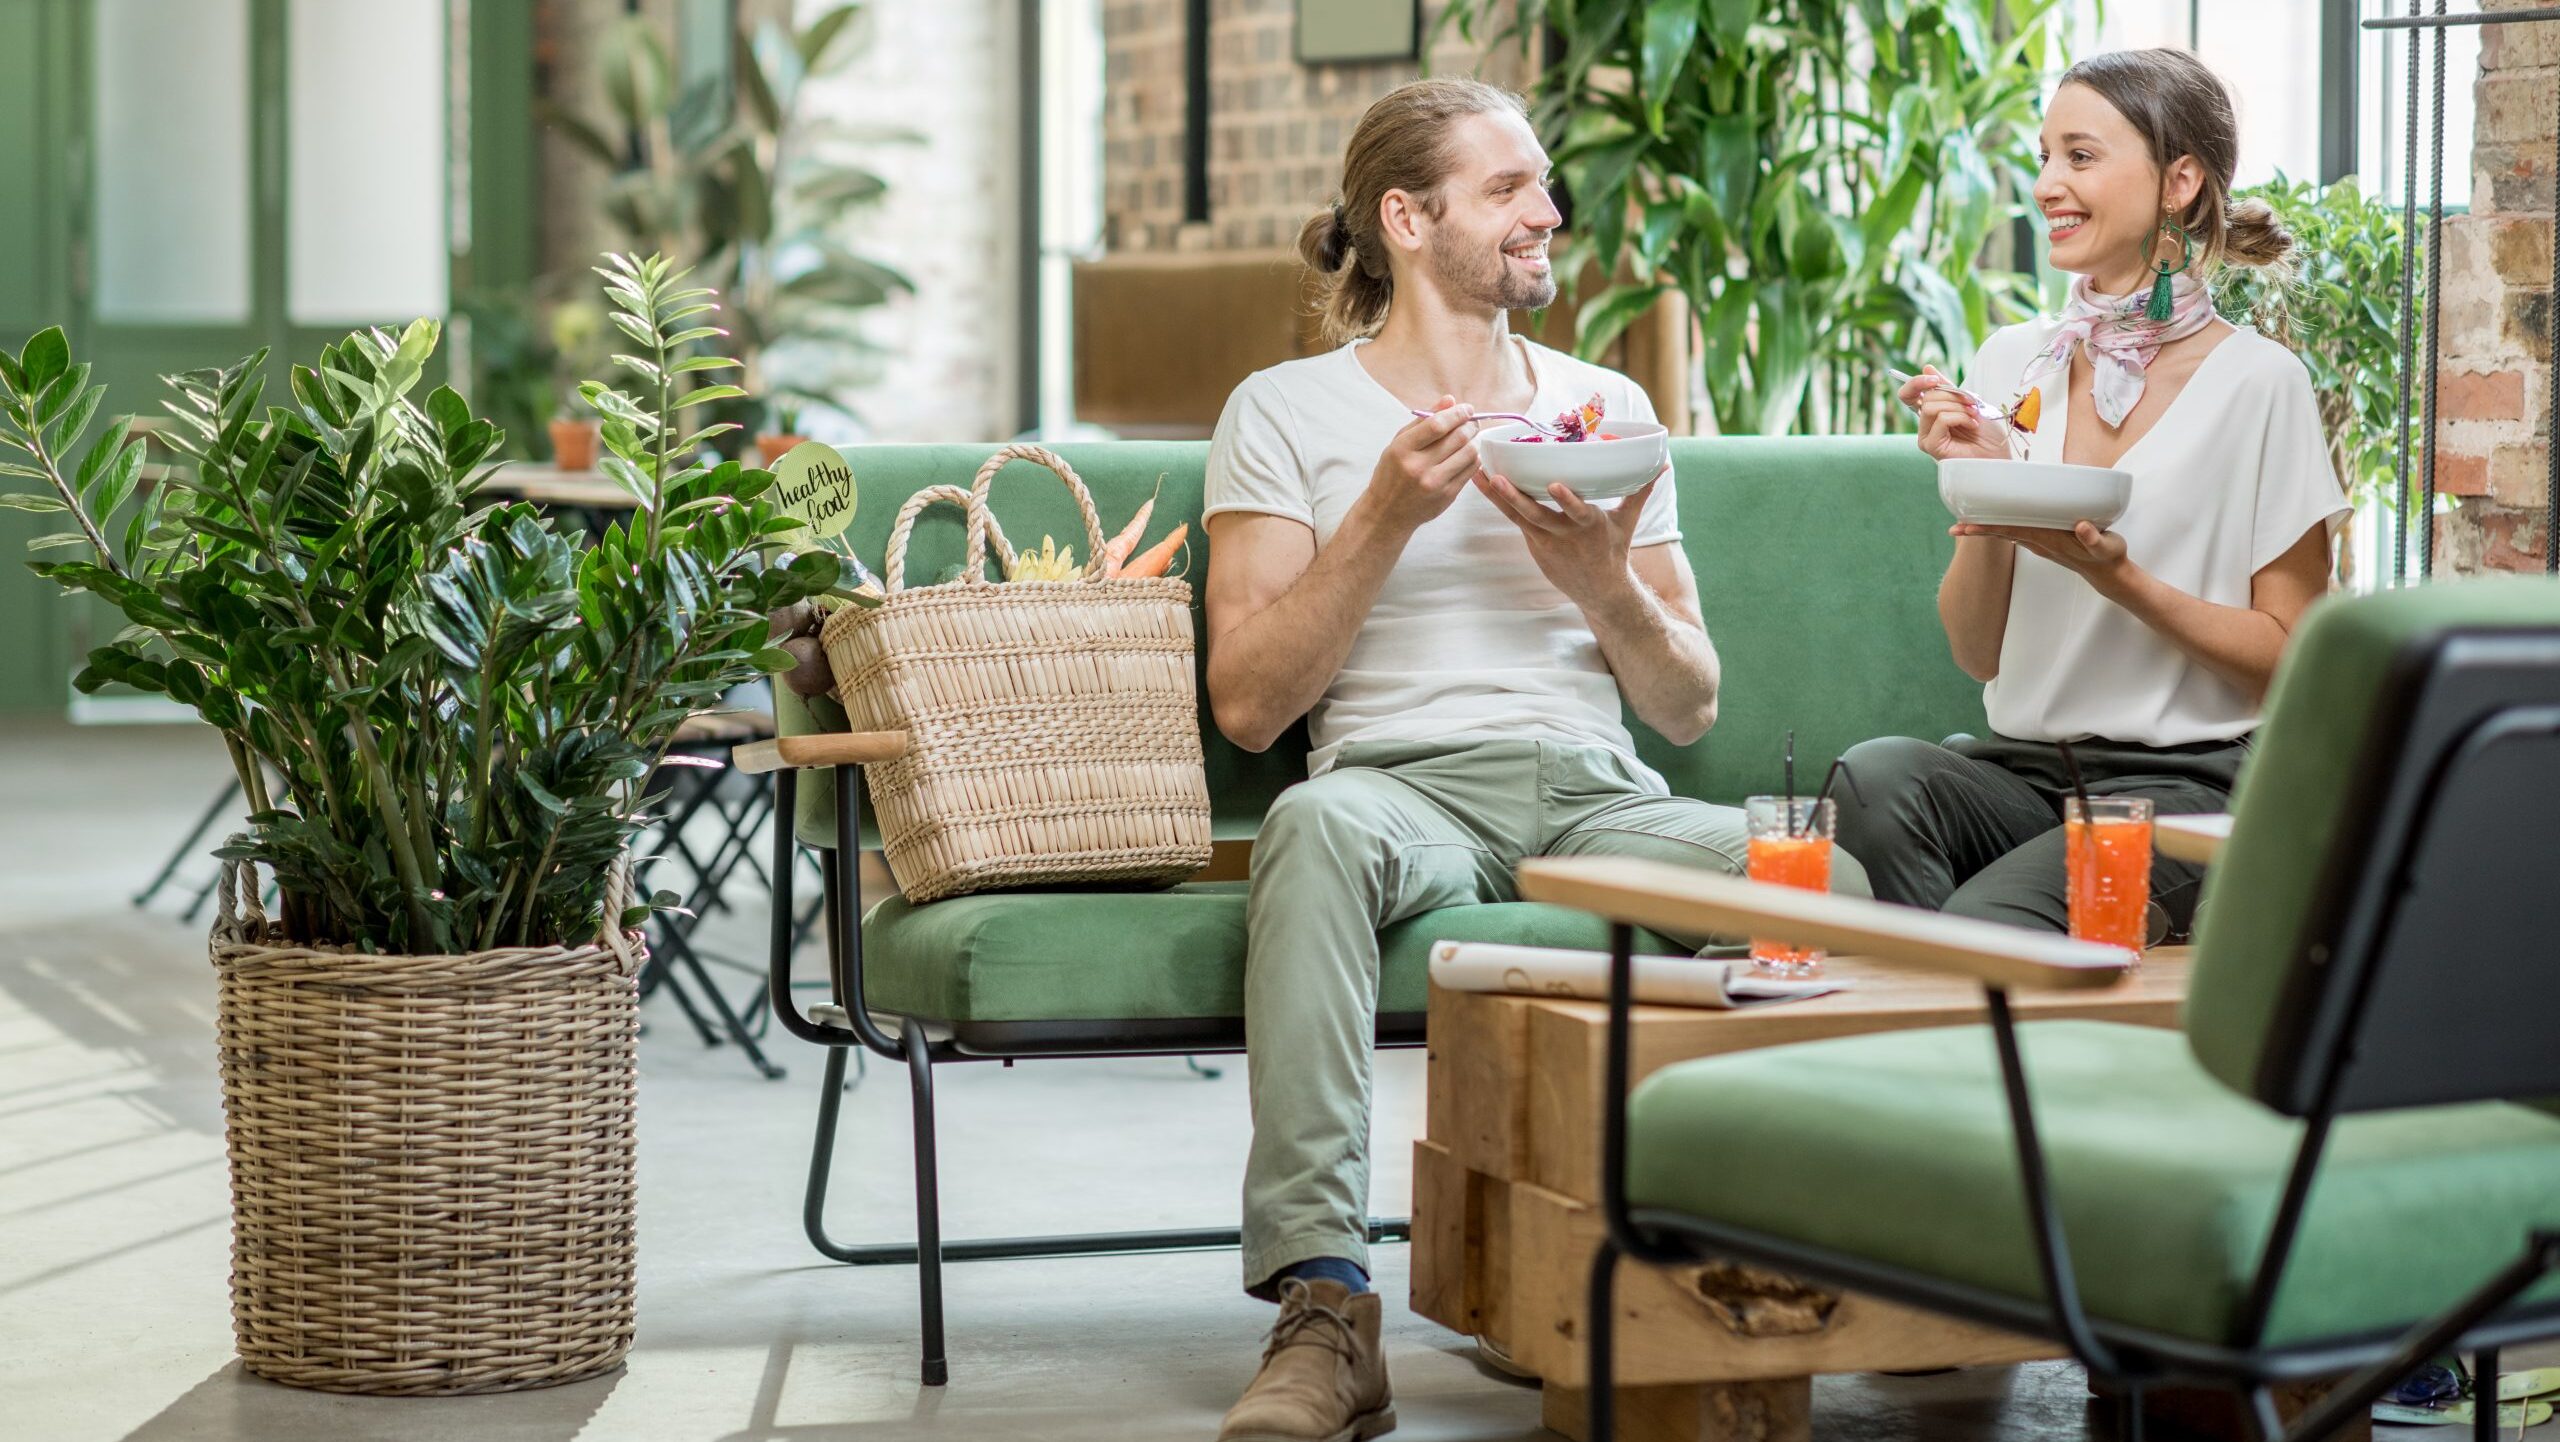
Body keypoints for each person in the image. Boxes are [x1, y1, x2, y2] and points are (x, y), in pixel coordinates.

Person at [1200, 78, 1869, 1442]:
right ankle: (1326, 1308)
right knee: (1311, 829)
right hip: (1399, 788)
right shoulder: (1285, 411)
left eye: (1541, 185)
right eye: (1509, 187)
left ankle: (1654, 1272)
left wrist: (1605, 582)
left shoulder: (1605, 405)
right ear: (1406, 217)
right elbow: (1254, 707)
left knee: (1822, 874)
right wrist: (1384, 512)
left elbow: (1686, 704)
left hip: (1590, 789)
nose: (1547, 211)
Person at [1836, 48, 2347, 943]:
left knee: (1991, 920)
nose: (2044, 185)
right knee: (1875, 780)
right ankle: (1963, 1018)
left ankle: (1963, 1010)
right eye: (2043, 156)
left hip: (2195, 787)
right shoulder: (2011, 363)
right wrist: (1989, 484)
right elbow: (1976, 652)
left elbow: (2294, 660)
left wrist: (2119, 579)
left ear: (2179, 180)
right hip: (2028, 771)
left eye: (2079, 156)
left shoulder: (2262, 383)